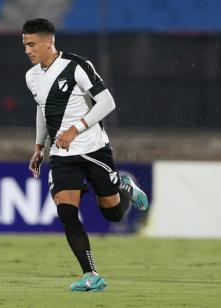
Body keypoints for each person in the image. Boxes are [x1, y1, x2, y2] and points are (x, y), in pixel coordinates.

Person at [22, 18, 148, 292]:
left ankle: (125, 186)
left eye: (32, 44)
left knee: (113, 214)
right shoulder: (31, 76)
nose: (28, 50)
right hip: (61, 155)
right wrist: (39, 146)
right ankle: (91, 274)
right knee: (67, 213)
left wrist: (74, 129)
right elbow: (42, 109)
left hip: (93, 149)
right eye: (25, 45)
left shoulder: (76, 66)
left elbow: (107, 102)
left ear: (48, 42)